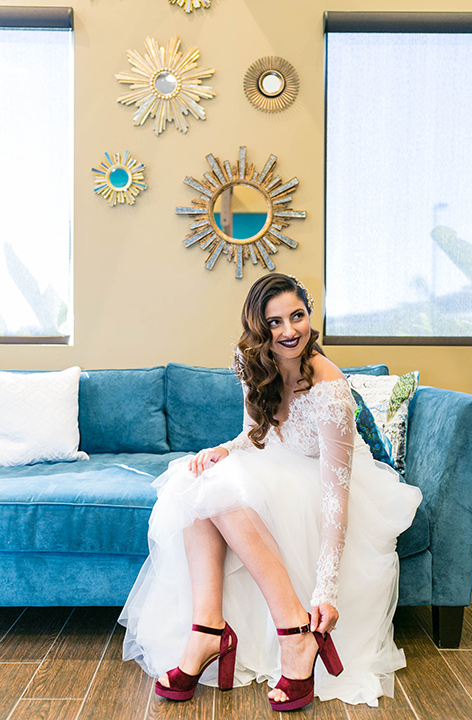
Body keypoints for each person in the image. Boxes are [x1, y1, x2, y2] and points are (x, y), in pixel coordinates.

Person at [119, 273, 422, 710]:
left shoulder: (329, 387)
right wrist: (224, 448)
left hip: (331, 484)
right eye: (275, 322)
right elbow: (253, 434)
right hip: (278, 464)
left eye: (296, 316)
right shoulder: (253, 364)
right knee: (196, 477)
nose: (289, 331)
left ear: (308, 315)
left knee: (220, 493)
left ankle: (296, 632)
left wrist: (326, 590)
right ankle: (207, 627)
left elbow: (338, 494)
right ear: (259, 329)